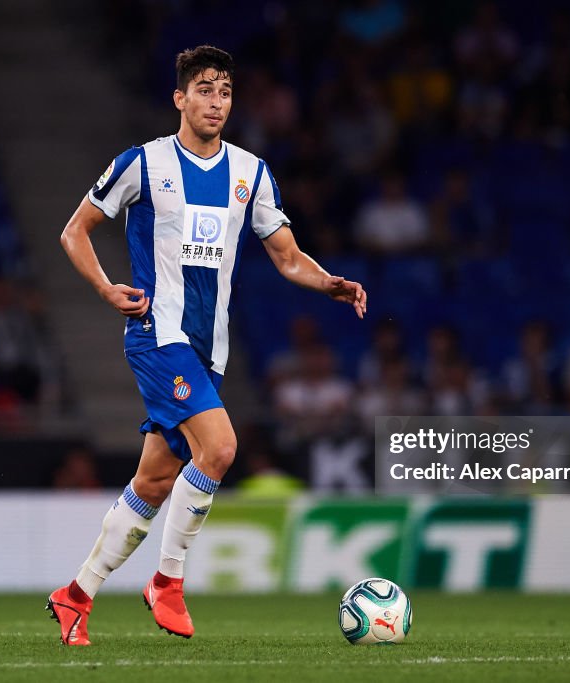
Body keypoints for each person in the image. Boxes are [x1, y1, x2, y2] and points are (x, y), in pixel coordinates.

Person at [47, 46, 366, 646]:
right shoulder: (142, 164)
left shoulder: (251, 173)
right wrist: (106, 289)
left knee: (154, 482)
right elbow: (75, 231)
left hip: (207, 352)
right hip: (155, 335)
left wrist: (329, 283)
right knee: (219, 448)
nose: (216, 101)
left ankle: (75, 596)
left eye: (224, 91)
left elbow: (287, 256)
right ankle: (167, 582)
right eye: (204, 89)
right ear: (180, 98)